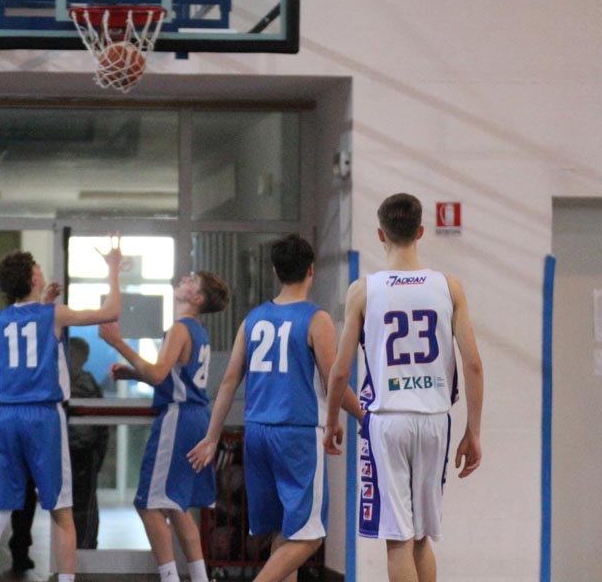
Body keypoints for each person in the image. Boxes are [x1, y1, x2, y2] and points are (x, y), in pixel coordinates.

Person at [323, 193, 484, 582]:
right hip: (435, 419)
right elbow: (474, 365)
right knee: (421, 537)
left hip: (388, 420)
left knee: (397, 540)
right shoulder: (450, 287)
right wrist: (473, 431)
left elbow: (340, 371)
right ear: (421, 232)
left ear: (380, 234)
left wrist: (331, 422)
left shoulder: (364, 290)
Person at [187, 235, 365, 582]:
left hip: (257, 434)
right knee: (310, 535)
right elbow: (334, 379)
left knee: (286, 529)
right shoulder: (316, 319)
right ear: (311, 270)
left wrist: (212, 436)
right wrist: (365, 417)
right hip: (296, 433)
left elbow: (229, 382)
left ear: (274, 271)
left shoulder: (253, 319)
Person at [0, 236, 123, 582]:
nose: (41, 270)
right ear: (33, 278)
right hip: (42, 416)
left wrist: (45, 302)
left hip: (7, 415)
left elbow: (29, 330)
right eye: (37, 267)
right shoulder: (54, 314)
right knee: (61, 508)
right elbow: (111, 312)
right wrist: (113, 270)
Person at [99, 270, 230, 582]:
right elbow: (173, 377)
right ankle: (199, 578)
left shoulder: (180, 328)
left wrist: (118, 343)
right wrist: (134, 374)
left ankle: (169, 578)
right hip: (197, 417)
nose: (184, 279)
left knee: (147, 504)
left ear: (196, 298)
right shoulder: (197, 330)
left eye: (191, 281)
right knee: (176, 506)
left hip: (179, 419)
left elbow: (158, 374)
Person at [0, 276, 62, 576]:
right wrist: (3, 368)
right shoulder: (2, 326)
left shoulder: (36, 321)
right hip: (6, 411)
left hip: (16, 412)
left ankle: (19, 548)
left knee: (23, 489)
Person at [66, 337, 109, 550]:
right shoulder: (58, 379)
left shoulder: (88, 381)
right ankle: (69, 546)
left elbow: (101, 419)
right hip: (64, 450)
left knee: (87, 501)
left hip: (85, 449)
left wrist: (99, 452)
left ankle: (87, 545)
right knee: (66, 501)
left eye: (79, 356)